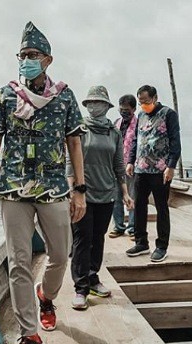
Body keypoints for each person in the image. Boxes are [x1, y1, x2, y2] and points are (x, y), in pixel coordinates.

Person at [0, 21, 87, 344]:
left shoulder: (64, 96)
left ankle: (47, 297)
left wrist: (80, 190)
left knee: (60, 255)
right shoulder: (6, 94)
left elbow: (74, 142)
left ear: (48, 60)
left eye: (33, 55)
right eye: (22, 55)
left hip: (54, 188)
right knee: (18, 263)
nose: (26, 60)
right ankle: (29, 337)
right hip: (13, 189)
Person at [68, 86, 133, 310]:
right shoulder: (79, 129)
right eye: (91, 103)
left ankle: (93, 277)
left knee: (98, 237)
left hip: (107, 194)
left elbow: (118, 164)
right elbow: (69, 162)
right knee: (82, 240)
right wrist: (72, 190)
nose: (95, 106)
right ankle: (80, 288)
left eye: (99, 102)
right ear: (87, 105)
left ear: (107, 106)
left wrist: (124, 192)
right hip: (82, 194)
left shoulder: (113, 133)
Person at [125, 84, 181, 263]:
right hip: (141, 169)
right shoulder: (140, 115)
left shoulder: (168, 114)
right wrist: (130, 161)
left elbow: (175, 141)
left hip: (160, 170)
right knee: (139, 205)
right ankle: (141, 242)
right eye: (141, 102)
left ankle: (161, 246)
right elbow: (135, 140)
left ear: (155, 98)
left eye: (146, 101)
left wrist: (171, 166)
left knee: (161, 207)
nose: (143, 105)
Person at [109, 94, 138, 239]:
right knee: (116, 197)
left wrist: (132, 162)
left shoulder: (139, 124)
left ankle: (132, 228)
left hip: (133, 167)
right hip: (116, 166)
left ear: (133, 109)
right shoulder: (116, 123)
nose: (124, 112)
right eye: (121, 109)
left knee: (132, 197)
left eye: (127, 110)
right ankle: (118, 226)